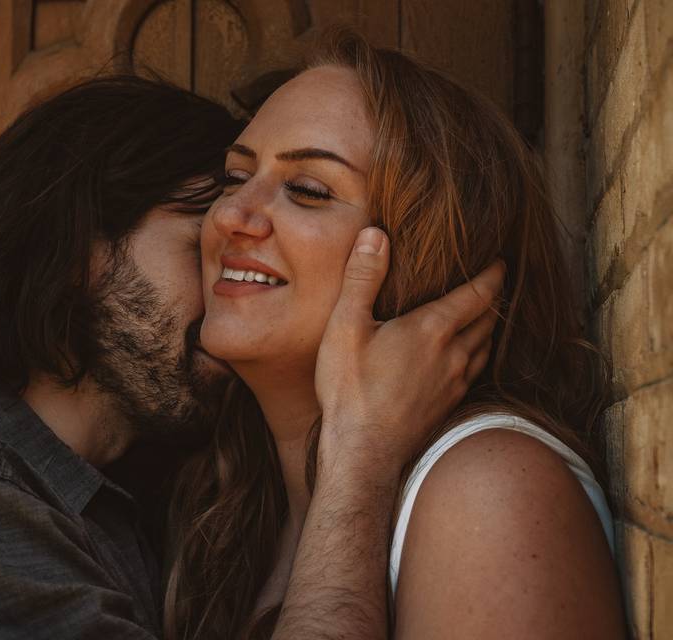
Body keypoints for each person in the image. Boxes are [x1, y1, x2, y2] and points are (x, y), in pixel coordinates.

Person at [0, 75, 499, 639]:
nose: (227, 296)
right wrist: (361, 458)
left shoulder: (150, 486)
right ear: (79, 253)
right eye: (198, 250)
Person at [165, 29, 627, 639]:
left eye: (307, 190)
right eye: (233, 177)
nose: (228, 215)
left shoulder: (490, 492)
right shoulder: (231, 500)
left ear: (426, 258)